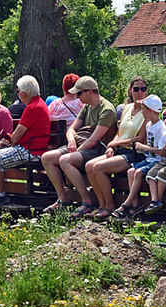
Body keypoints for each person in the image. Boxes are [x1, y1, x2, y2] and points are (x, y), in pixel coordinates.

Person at [39, 75, 116, 217]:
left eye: (79, 93)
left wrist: (74, 152)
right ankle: (63, 199)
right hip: (80, 143)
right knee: (47, 158)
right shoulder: (86, 106)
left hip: (96, 149)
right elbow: (72, 129)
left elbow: (94, 140)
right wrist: (71, 141)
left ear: (90, 92)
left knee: (65, 160)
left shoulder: (107, 109)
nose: (76, 96)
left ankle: (87, 201)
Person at [84, 79, 154, 219]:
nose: (140, 92)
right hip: (120, 149)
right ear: (130, 90)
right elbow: (119, 133)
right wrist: (111, 145)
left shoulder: (148, 111)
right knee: (89, 165)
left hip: (135, 152)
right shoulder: (125, 108)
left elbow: (141, 138)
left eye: (143, 89)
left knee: (98, 167)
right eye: (136, 89)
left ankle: (109, 206)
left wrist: (116, 144)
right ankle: (102, 204)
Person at [0, 75, 51, 210]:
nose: (17, 93)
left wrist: (6, 140)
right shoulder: (38, 103)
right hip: (32, 147)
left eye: (18, 91)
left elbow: (17, 136)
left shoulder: (32, 108)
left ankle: (1, 195)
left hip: (31, 150)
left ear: (24, 93)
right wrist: (7, 139)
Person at [114, 98, 166, 218]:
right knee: (130, 171)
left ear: (150, 110)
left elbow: (162, 152)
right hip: (149, 159)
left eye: (143, 109)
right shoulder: (149, 125)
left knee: (138, 172)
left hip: (158, 161)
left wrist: (144, 147)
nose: (141, 111)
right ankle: (135, 204)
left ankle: (126, 204)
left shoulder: (161, 129)